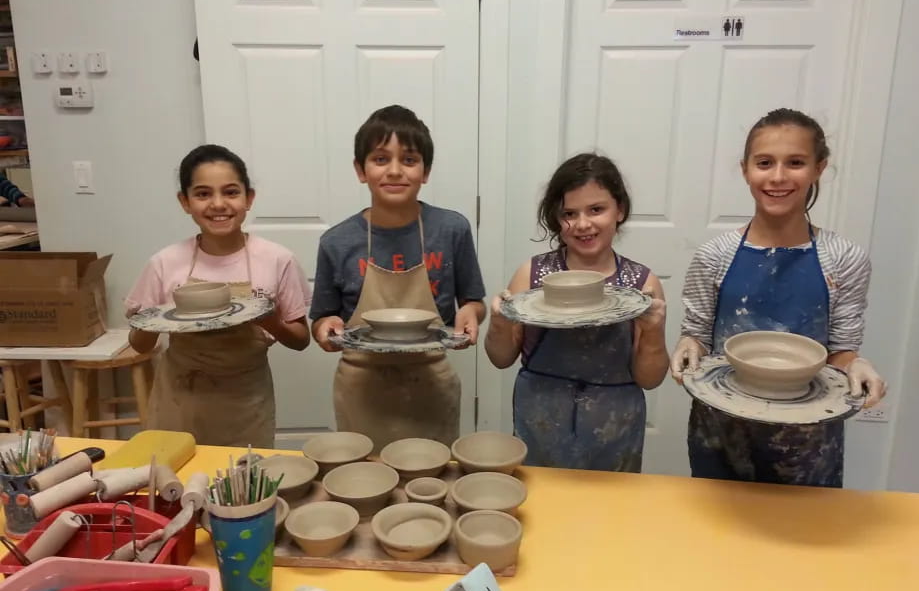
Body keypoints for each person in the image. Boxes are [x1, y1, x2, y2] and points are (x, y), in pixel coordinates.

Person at [671, 108, 887, 487]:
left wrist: (857, 365)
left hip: (807, 443)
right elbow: (698, 336)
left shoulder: (844, 259)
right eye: (765, 163)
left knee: (802, 542)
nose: (778, 177)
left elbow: (842, 350)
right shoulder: (714, 256)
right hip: (722, 435)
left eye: (796, 163)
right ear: (745, 169)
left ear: (819, 168)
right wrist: (688, 345)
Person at [310, 105, 486, 450]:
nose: (394, 171)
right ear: (360, 170)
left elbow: (473, 301)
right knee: (364, 482)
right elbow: (322, 318)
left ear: (426, 171)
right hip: (362, 387)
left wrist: (471, 314)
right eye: (380, 159)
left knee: (431, 485)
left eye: (408, 160)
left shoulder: (451, 230)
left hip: (430, 383)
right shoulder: (337, 241)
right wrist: (325, 329)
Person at [484, 153, 668, 471]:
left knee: (609, 517)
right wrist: (499, 322)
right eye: (570, 213)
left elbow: (650, 379)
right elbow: (500, 359)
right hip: (541, 422)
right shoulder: (531, 274)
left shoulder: (642, 284)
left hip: (615, 429)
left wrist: (652, 332)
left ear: (619, 210)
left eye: (596, 209)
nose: (582, 224)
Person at [125, 144, 311, 447]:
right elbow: (139, 346)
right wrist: (150, 321)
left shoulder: (277, 259)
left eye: (230, 192)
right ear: (184, 202)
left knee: (243, 486)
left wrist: (269, 319)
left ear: (249, 198)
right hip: (181, 395)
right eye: (202, 194)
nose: (218, 204)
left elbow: (301, 340)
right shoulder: (165, 263)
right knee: (178, 485)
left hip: (246, 399)